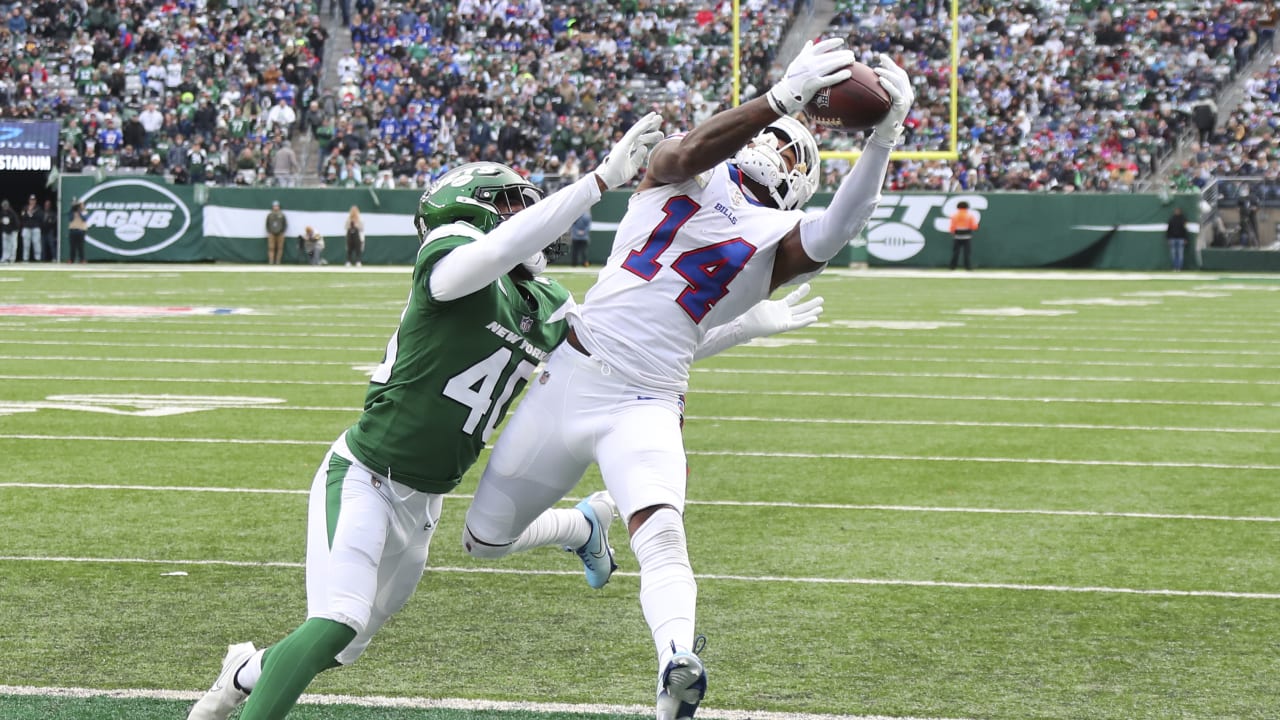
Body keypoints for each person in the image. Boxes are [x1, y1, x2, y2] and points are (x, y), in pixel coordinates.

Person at [185, 117, 819, 720]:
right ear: (480, 207)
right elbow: (495, 251)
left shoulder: (544, 302)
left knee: (340, 647)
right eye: (514, 204)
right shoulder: (451, 259)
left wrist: (742, 328)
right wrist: (597, 181)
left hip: (425, 503)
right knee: (336, 624)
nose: (529, 218)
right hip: (365, 476)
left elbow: (639, 344)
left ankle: (243, 672)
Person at [461, 39, 911, 720]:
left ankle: (675, 663)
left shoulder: (781, 237)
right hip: (573, 373)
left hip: (647, 401)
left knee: (661, 530)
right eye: (773, 136)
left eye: (794, 151)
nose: (776, 149)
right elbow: (684, 151)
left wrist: (884, 138)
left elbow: (841, 227)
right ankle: (581, 530)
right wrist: (779, 101)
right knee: (483, 540)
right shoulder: (685, 174)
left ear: (802, 182)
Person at [948, 200, 978, 271]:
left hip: (957, 236)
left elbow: (952, 227)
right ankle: (967, 267)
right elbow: (974, 227)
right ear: (967, 207)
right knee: (966, 253)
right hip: (967, 236)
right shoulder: (969, 216)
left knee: (956, 252)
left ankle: (952, 267)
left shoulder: (954, 216)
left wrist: (952, 232)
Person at [19, 194, 43, 262]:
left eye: (33, 200)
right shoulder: (25, 208)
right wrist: (29, 213)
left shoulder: (38, 208)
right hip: (26, 228)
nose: (32, 201)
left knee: (36, 243)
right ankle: (25, 258)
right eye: (31, 200)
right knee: (26, 244)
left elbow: (40, 217)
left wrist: (32, 214)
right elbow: (23, 216)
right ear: (29, 201)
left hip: (36, 228)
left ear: (35, 201)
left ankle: (38, 258)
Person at [1166, 205, 1189, 272]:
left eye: (1178, 211)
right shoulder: (1171, 219)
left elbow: (1185, 230)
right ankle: (1174, 267)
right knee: (1173, 254)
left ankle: (1179, 268)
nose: (1177, 212)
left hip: (1181, 239)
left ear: (1180, 212)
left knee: (1180, 254)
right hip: (1172, 239)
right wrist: (1168, 238)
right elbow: (1168, 230)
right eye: (1176, 211)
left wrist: (1186, 238)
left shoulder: (1183, 220)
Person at [67, 199, 88, 264]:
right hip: (73, 230)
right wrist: (73, 209)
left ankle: (82, 259)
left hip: (81, 230)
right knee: (72, 246)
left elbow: (84, 219)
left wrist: (79, 212)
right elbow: (70, 219)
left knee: (80, 246)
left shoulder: (84, 212)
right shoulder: (72, 212)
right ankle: (71, 259)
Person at [0, 199, 18, 263]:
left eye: (5, 206)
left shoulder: (12, 213)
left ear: (8, 206)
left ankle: (12, 258)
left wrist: (14, 231)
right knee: (5, 245)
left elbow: (15, 223)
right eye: (3, 206)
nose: (4, 207)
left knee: (13, 245)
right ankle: (5, 257)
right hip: (5, 230)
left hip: (13, 230)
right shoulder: (2, 212)